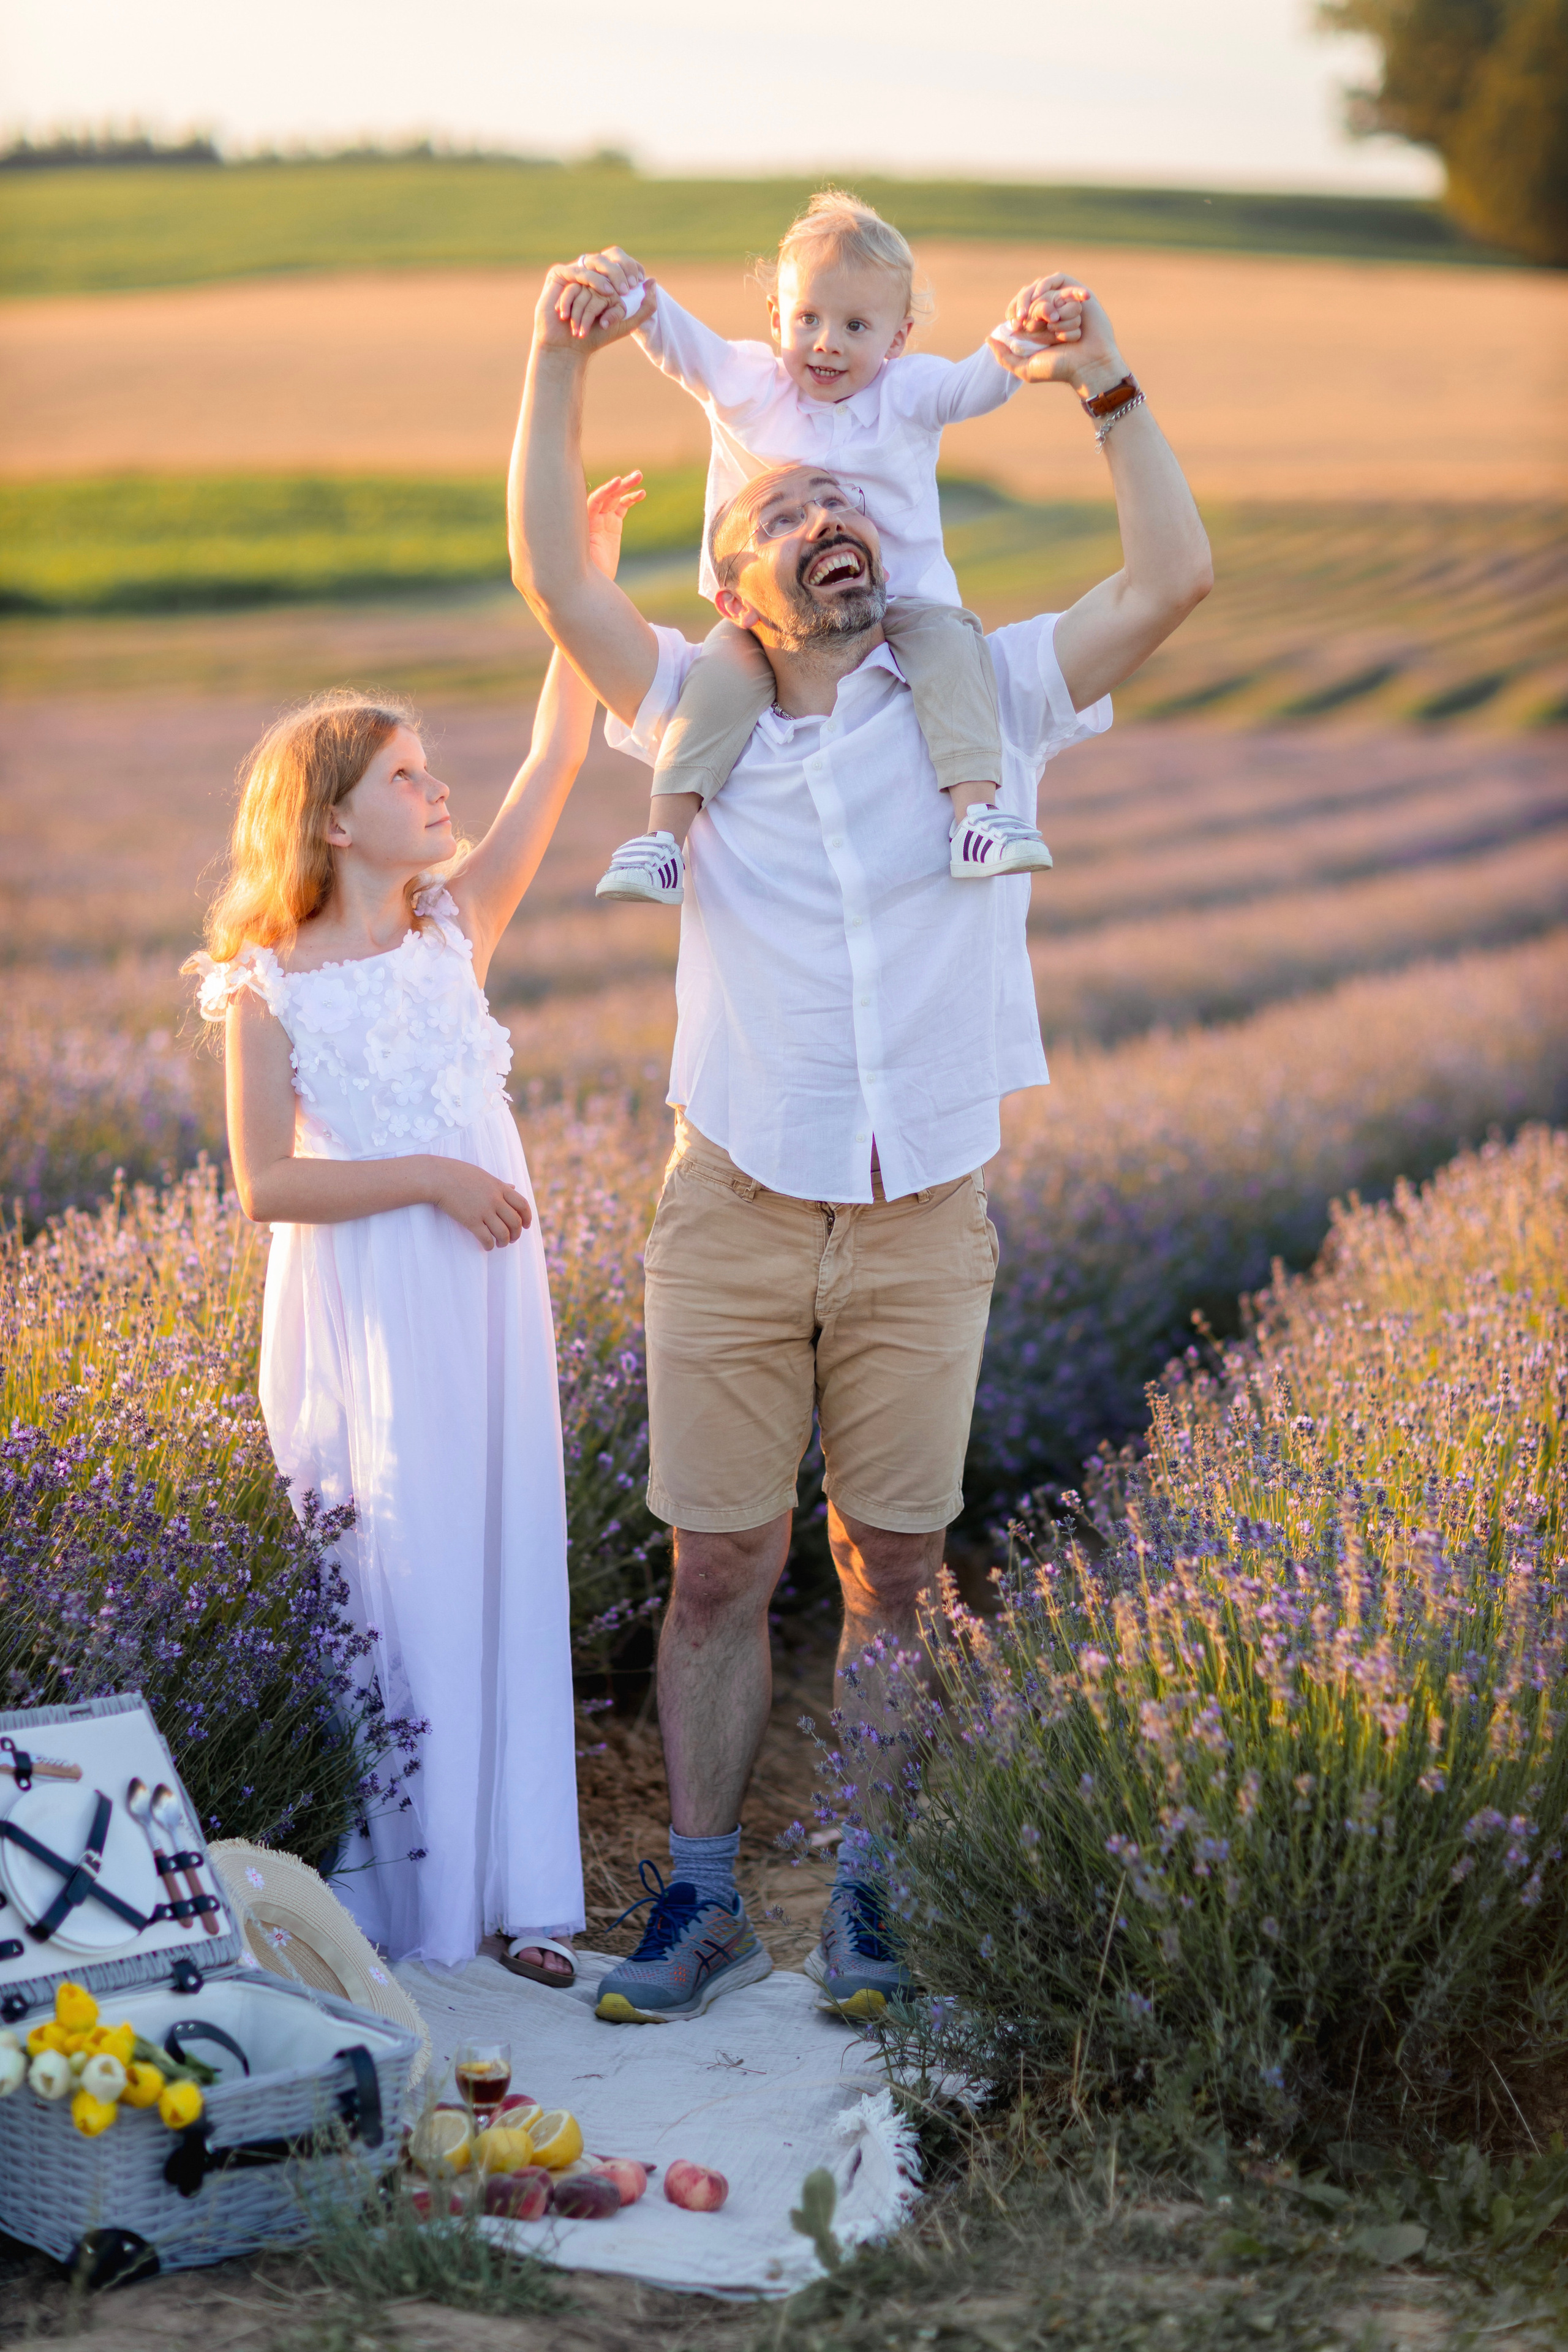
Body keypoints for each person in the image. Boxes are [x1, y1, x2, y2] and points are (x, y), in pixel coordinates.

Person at [508, 263, 1212, 2022]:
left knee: (898, 1566)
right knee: (719, 1567)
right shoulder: (692, 705)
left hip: (922, 1214)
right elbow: (546, 573)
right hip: (733, 1201)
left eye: (851, 499)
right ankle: (700, 1896)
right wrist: (550, 361)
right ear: (737, 587)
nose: (836, 515)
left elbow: (1174, 580)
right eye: (794, 504)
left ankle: (876, 1890)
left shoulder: (989, 700)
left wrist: (1108, 390)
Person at [189, 477, 646, 1974]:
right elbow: (266, 1184)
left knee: (500, 1546)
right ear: (331, 815)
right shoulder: (269, 987)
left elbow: (557, 747)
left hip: (484, 1298)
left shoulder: (454, 923)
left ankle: (518, 1894)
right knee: (400, 1567)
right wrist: (438, 1179)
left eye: (430, 770)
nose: (435, 793)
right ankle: (416, 1902)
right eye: (404, 775)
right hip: (377, 1294)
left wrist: (578, 584)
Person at [554, 190, 1085, 907]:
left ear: (897, 340)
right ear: (776, 318)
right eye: (807, 318)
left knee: (955, 656)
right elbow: (679, 344)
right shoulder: (750, 385)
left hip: (906, 598)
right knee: (719, 684)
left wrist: (1023, 336)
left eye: (855, 325)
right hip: (771, 609)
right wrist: (636, 293)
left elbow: (974, 386)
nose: (826, 341)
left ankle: (976, 818)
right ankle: (662, 841)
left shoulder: (908, 394)